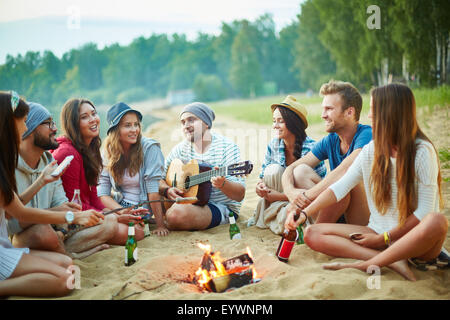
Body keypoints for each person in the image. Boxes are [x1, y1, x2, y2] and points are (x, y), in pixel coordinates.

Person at [285, 83, 448, 281]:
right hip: (375, 232)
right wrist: (303, 213)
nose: (370, 117)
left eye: (374, 111)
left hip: (411, 240)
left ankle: (372, 262)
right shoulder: (372, 150)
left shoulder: (422, 151)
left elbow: (424, 212)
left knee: (437, 220)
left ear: (391, 113)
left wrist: (384, 238)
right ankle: (390, 260)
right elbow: (340, 187)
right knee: (312, 233)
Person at [0, 91, 104, 297]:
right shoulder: (6, 164)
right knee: (67, 280)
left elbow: (14, 208)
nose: (24, 127)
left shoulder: (6, 161)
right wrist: (73, 216)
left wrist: (41, 183)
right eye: (22, 121)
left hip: (5, 248)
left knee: (67, 263)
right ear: (8, 124)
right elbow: (20, 215)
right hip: (8, 248)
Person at [9, 102, 118, 259]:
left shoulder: (49, 162)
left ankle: (61, 252)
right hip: (23, 238)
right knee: (42, 231)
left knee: (110, 221)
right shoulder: (8, 166)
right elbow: (11, 224)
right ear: (30, 128)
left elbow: (63, 205)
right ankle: (69, 255)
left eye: (53, 123)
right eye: (48, 124)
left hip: (53, 231)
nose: (55, 128)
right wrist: (57, 213)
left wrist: (62, 229)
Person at [282, 80, 372, 225]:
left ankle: (319, 230)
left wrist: (304, 197)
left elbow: (346, 170)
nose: (323, 115)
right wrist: (290, 191)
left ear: (349, 112)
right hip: (339, 209)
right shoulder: (330, 140)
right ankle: (324, 226)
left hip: (365, 218)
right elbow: (291, 169)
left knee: (349, 179)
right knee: (300, 171)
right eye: (323, 109)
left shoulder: (367, 135)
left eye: (329, 109)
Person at [51, 98, 138, 245]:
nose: (93, 120)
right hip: (69, 221)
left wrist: (119, 212)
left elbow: (93, 197)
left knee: (134, 228)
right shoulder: (67, 153)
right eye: (84, 117)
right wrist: (112, 216)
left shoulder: (90, 149)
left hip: (87, 215)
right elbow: (74, 204)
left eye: (93, 114)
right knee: (132, 232)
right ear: (73, 123)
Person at [159, 102, 246, 231]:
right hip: (188, 202)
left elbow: (240, 195)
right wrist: (167, 190)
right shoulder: (180, 149)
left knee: (175, 215)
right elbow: (159, 179)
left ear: (206, 123)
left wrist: (223, 184)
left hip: (220, 206)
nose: (186, 126)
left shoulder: (227, 147)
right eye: (183, 122)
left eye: (191, 120)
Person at [249, 95, 326, 234]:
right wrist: (260, 187)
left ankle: (274, 215)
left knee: (287, 216)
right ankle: (276, 214)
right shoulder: (273, 145)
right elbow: (262, 176)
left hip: (304, 201)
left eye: (280, 121)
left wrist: (279, 196)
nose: (275, 126)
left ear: (293, 123)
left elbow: (317, 191)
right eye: (274, 121)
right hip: (278, 199)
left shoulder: (311, 148)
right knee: (273, 170)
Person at [98, 102, 168, 238]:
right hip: (120, 205)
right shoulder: (107, 151)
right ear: (115, 130)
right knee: (99, 214)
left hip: (141, 207)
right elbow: (103, 193)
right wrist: (121, 212)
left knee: (135, 231)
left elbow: (153, 190)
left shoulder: (149, 148)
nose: (134, 129)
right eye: (127, 125)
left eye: (136, 124)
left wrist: (160, 225)